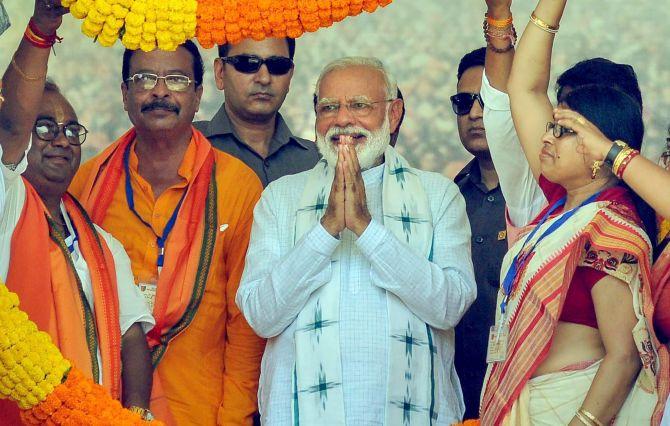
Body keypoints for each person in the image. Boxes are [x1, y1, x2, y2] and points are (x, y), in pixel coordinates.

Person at [237, 56, 477, 425]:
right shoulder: (280, 197)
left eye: (360, 105)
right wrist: (326, 230)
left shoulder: (438, 195)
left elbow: (450, 306)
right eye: (328, 107)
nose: (343, 119)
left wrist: (367, 229)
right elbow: (261, 316)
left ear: (393, 114)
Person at [479, 0, 669, 424]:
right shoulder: (562, 207)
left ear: (602, 151)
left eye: (565, 132)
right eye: (552, 126)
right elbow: (523, 90)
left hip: (570, 406)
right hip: (531, 401)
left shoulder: (610, 225)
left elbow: (623, 356)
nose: (547, 137)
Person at [69, 40, 265, 425]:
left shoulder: (237, 185)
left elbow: (245, 329)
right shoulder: (86, 183)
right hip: (101, 409)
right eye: (144, 79)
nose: (160, 91)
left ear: (198, 95)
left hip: (199, 411)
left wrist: (234, 420)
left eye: (176, 79)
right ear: (125, 94)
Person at [0, 1, 154, 422]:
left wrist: (135, 414)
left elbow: (131, 334)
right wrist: (41, 29)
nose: (62, 140)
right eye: (45, 127)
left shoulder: (102, 244)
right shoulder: (7, 201)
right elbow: (12, 124)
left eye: (71, 131)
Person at [450, 47, 508, 421]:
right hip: (459, 394)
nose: (474, 113)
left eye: (486, 101)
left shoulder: (547, 193)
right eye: (463, 102)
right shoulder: (448, 196)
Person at [194, 37, 319, 187]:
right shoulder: (185, 147)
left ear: (290, 76)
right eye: (248, 64)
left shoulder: (317, 161)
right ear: (220, 72)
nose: (264, 78)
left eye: (278, 66)